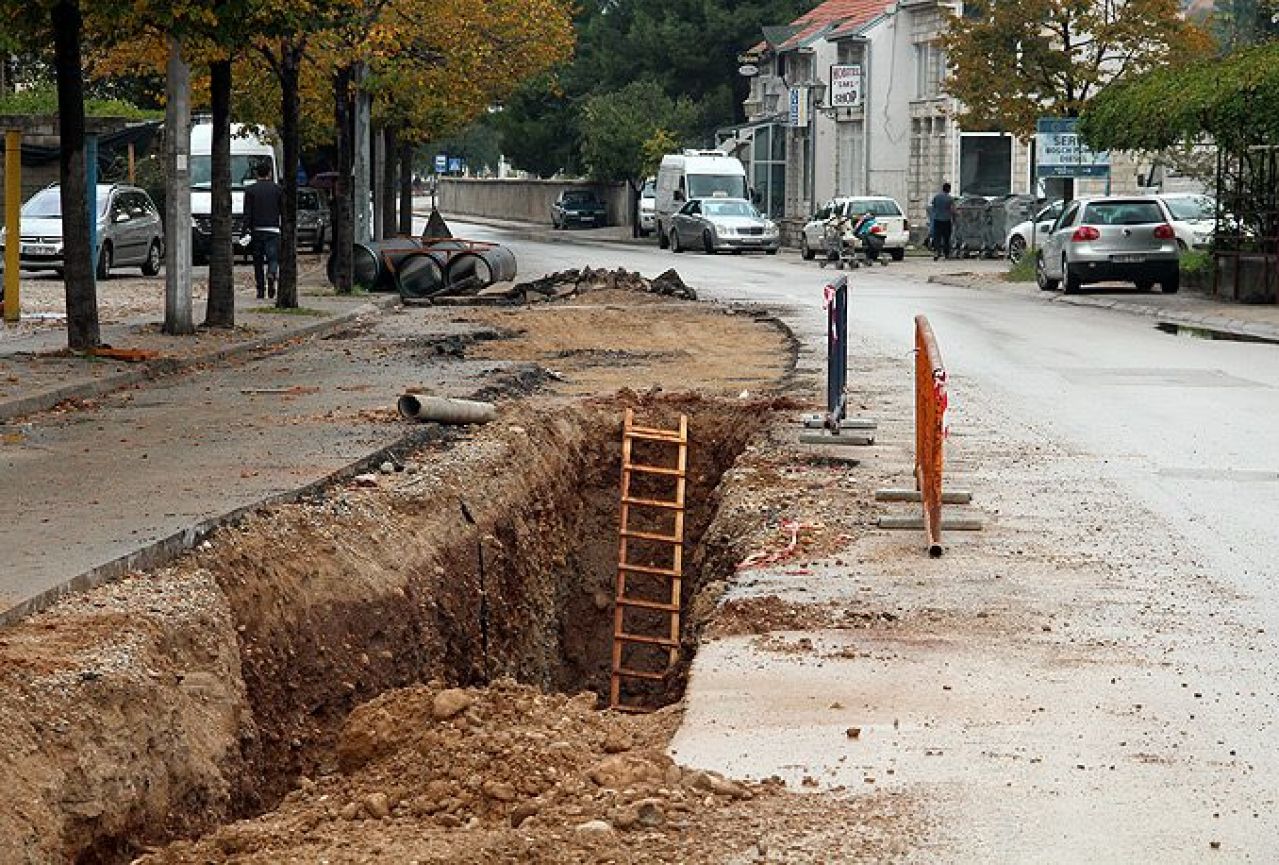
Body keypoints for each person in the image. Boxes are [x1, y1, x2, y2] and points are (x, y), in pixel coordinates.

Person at [243, 161, 283, 299]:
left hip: (257, 230)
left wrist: (245, 230)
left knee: (258, 261)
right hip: (273, 229)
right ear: (270, 173)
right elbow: (282, 210)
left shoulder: (250, 190)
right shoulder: (278, 190)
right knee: (273, 258)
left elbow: (247, 213)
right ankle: (271, 273)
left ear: (256, 174)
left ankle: (260, 289)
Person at [930, 182, 955, 261]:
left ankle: (937, 252)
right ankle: (946, 254)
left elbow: (933, 207)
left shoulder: (936, 197)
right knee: (946, 238)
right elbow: (952, 210)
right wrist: (955, 217)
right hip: (946, 220)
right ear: (949, 189)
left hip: (937, 220)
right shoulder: (950, 198)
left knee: (937, 237)